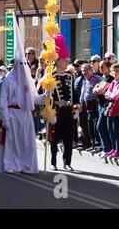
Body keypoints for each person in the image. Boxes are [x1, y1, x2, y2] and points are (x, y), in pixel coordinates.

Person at [0, 17, 44, 174]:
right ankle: (10, 165)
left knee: (26, 143)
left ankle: (26, 165)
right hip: (12, 114)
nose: (23, 67)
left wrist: (47, 95)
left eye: (25, 64)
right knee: (12, 142)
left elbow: (35, 97)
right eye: (21, 64)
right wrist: (4, 119)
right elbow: (2, 101)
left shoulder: (29, 80)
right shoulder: (7, 81)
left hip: (26, 115)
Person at [49, 34, 79, 171]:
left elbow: (74, 92)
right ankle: (53, 161)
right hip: (56, 109)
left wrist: (77, 106)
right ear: (58, 61)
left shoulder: (70, 76)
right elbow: (47, 96)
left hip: (68, 110)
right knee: (54, 137)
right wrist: (50, 112)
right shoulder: (51, 77)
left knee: (68, 137)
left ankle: (67, 161)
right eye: (65, 60)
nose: (67, 62)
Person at [93, 60, 114, 158]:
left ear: (109, 67)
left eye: (103, 67)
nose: (101, 69)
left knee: (100, 127)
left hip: (106, 105)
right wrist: (97, 89)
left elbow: (100, 91)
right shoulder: (103, 78)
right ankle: (106, 148)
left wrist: (97, 89)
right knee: (102, 127)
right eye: (100, 67)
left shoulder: (110, 79)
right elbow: (94, 89)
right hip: (100, 105)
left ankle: (107, 149)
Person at [80, 63, 102, 153]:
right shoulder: (85, 80)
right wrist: (81, 102)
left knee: (95, 125)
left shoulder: (97, 79)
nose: (84, 72)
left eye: (85, 70)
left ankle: (98, 144)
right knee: (89, 125)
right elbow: (83, 92)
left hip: (95, 103)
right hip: (87, 104)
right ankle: (92, 144)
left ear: (90, 70)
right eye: (82, 70)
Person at [104, 63, 119, 158]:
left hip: (117, 108)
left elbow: (118, 95)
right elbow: (107, 94)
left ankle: (118, 150)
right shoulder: (113, 82)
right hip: (110, 107)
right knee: (110, 129)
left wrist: (111, 96)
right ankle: (113, 148)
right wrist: (112, 96)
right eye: (114, 71)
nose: (115, 73)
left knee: (116, 130)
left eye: (117, 71)